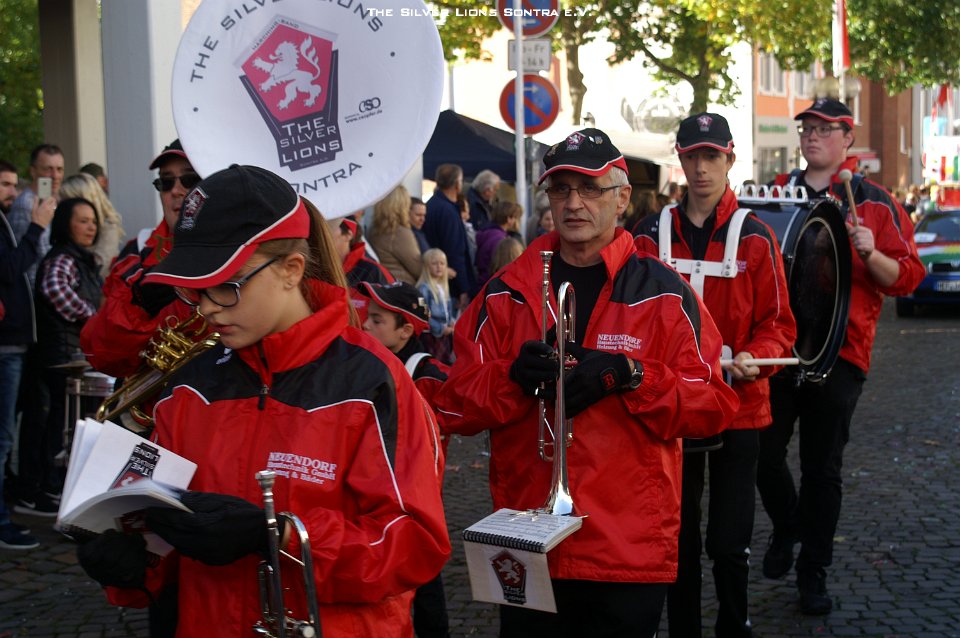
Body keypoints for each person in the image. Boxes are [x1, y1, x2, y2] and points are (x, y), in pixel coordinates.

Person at [75, 165, 451, 638]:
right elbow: (166, 543)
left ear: (291, 270)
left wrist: (279, 536)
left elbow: (414, 543)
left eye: (226, 286)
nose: (206, 307)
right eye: (194, 289)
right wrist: (132, 564)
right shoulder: (185, 386)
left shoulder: (374, 380)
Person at [434, 128, 739, 637]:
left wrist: (633, 376)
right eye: (561, 189)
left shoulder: (665, 293)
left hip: (624, 547)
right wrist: (509, 379)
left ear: (622, 198)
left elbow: (712, 406)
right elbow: (448, 405)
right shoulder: (505, 291)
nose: (574, 203)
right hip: (529, 538)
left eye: (591, 188)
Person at [756, 98, 925, 616]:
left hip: (842, 351)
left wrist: (871, 253)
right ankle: (788, 524)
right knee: (762, 452)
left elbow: (908, 278)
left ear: (848, 138)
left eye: (825, 128)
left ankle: (814, 571)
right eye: (807, 127)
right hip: (777, 349)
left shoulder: (874, 201)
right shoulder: (775, 193)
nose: (812, 135)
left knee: (822, 469)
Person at [634, 113, 797, 638]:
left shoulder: (757, 237)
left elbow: (779, 324)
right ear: (679, 161)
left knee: (729, 540)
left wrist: (755, 354)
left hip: (740, 406)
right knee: (676, 537)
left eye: (711, 157)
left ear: (730, 159)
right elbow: (629, 316)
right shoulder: (647, 234)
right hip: (672, 408)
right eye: (692, 157)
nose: (701, 168)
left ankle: (734, 625)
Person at [356, 280, 451, 638]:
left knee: (425, 587)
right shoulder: (367, 368)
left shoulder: (429, 376)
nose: (365, 324)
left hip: (415, 499)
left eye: (377, 320)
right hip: (376, 497)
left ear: (406, 331)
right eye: (368, 316)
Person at [80, 139, 203, 382]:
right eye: (166, 182)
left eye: (189, 179)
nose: (176, 191)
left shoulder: (249, 252)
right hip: (157, 401)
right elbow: (98, 353)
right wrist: (138, 306)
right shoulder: (136, 254)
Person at [17, 198, 103, 517]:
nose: (91, 227)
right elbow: (54, 289)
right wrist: (93, 316)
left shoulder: (82, 259)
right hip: (56, 356)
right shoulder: (63, 258)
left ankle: (50, 487)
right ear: (66, 224)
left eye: (93, 220)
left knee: (59, 425)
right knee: (51, 426)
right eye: (82, 220)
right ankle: (40, 489)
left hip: (69, 355)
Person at [0, 159, 56, 549]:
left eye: (12, 183)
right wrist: (36, 227)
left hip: (13, 343)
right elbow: (10, 269)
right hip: (5, 345)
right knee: (3, 438)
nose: (12, 191)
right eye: (5, 184)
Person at [8, 144, 65, 287]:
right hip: (35, 286)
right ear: (33, 171)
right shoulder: (25, 204)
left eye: (59, 169)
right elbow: (25, 255)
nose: (55, 176)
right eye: (48, 169)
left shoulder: (53, 200)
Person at [423, 164, 476, 308]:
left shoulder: (432, 205)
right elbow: (455, 251)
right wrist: (463, 288)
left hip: (437, 280)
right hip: (449, 285)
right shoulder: (448, 211)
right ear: (457, 184)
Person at [59, 172, 125, 277]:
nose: (65, 208)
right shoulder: (63, 224)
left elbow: (100, 269)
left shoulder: (108, 227)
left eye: (70, 201)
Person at [368, 184, 422, 285]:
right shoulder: (399, 233)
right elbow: (418, 268)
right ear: (402, 205)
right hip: (403, 287)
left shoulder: (373, 229)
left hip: (385, 285)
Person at [417, 248, 456, 365]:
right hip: (432, 336)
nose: (439, 266)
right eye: (434, 263)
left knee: (445, 363)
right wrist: (441, 328)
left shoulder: (443, 287)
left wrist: (452, 322)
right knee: (435, 364)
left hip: (444, 335)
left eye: (442, 263)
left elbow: (448, 312)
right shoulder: (424, 289)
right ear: (426, 266)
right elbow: (423, 314)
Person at [474, 201, 522, 286]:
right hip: (491, 284)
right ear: (509, 219)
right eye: (515, 217)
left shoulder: (488, 233)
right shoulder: (500, 240)